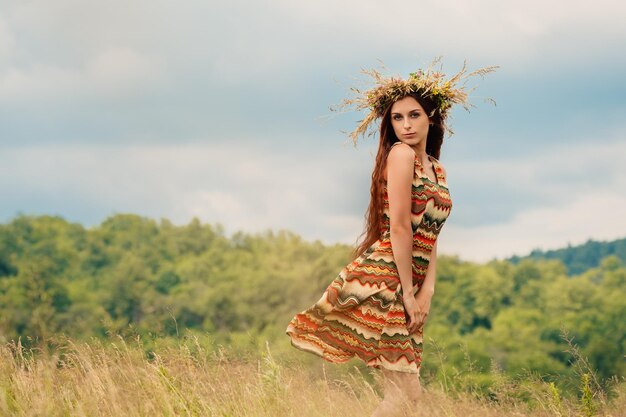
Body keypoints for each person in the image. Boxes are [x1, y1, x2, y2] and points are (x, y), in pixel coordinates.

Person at [285, 58, 497, 416]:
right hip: (388, 280)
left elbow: (430, 235)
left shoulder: (437, 168)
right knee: (406, 394)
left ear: (431, 117)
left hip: (411, 282)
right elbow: (399, 228)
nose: (405, 125)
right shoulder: (400, 156)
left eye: (413, 115)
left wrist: (427, 289)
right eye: (397, 118)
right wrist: (408, 295)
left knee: (403, 396)